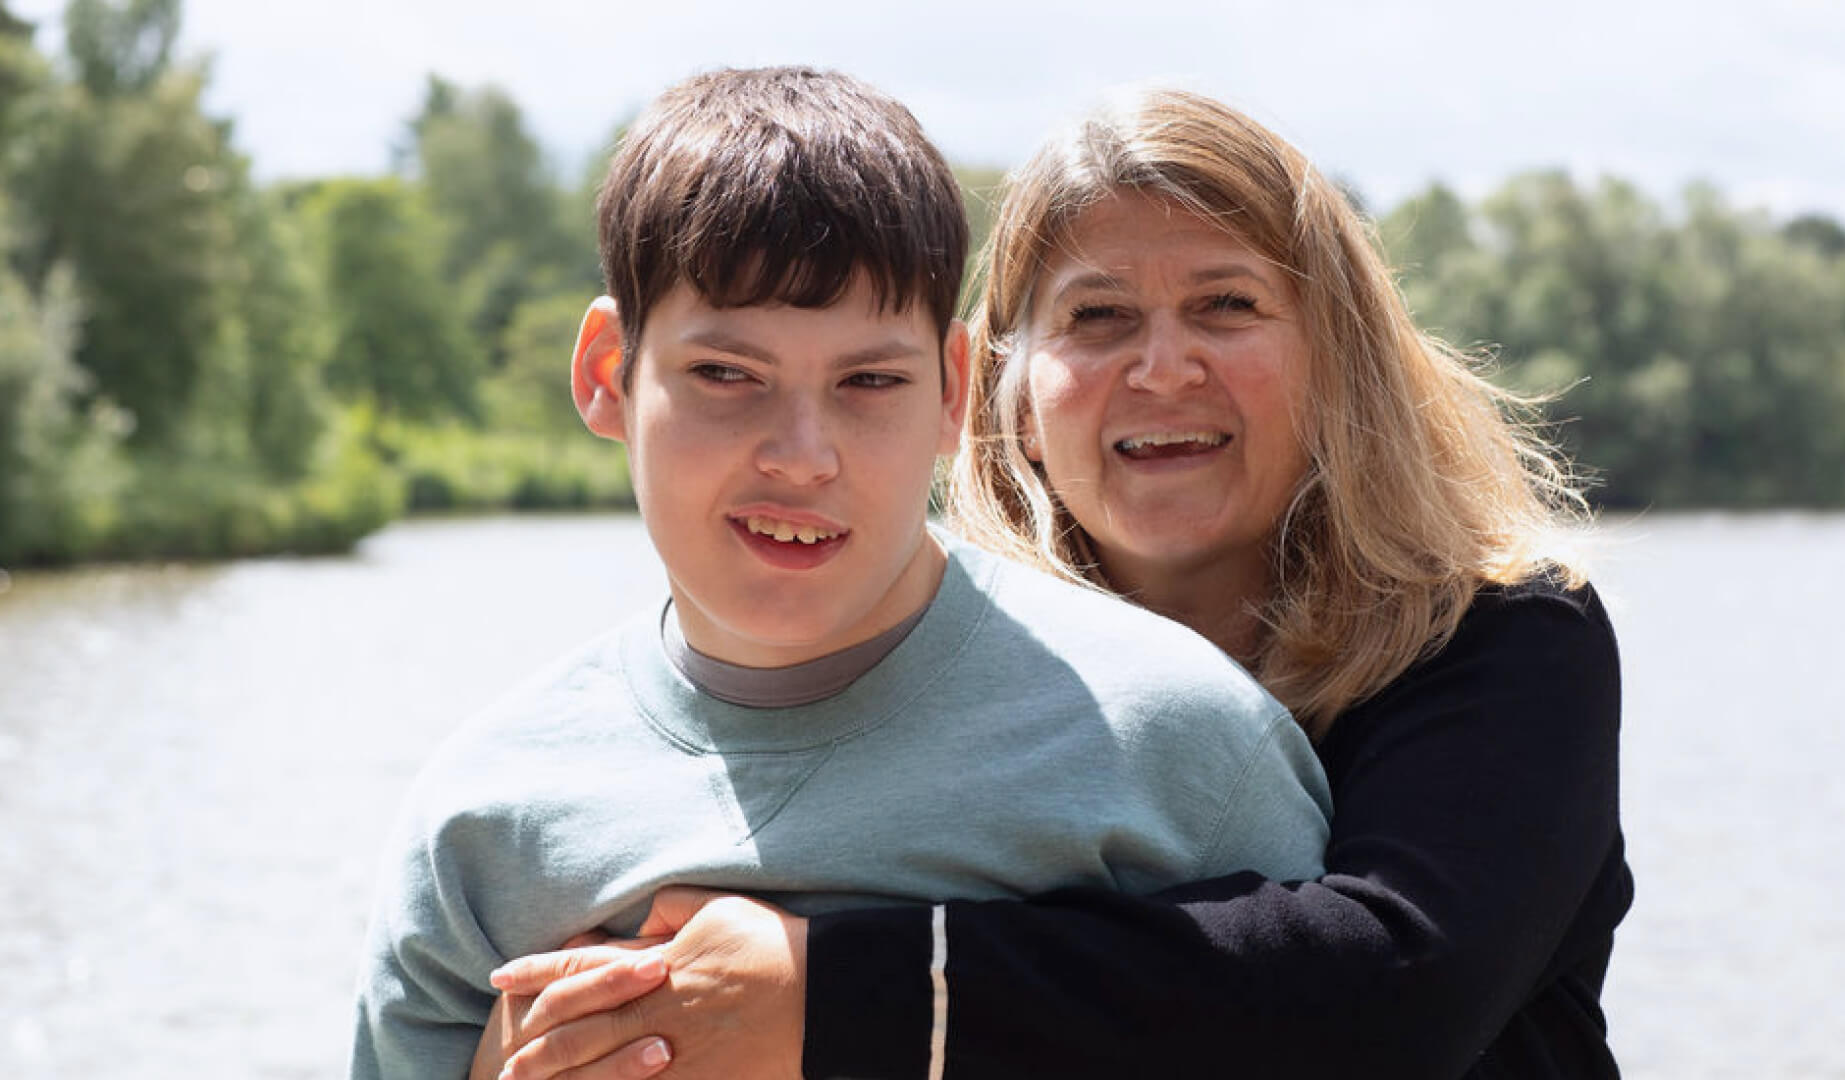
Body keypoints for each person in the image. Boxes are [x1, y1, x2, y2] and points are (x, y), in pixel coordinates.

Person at [479, 86, 1632, 1080]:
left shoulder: (1508, 636)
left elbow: (1394, 992)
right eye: (1098, 317)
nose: (1163, 365)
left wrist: (827, 995)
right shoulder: (918, 665)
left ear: (1339, 360)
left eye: (1226, 305)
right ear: (1004, 394)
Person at [348, 68, 1336, 1080]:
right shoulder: (485, 817)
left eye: (870, 382)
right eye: (726, 375)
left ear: (954, 392)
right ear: (609, 373)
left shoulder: (1184, 755)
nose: (802, 454)